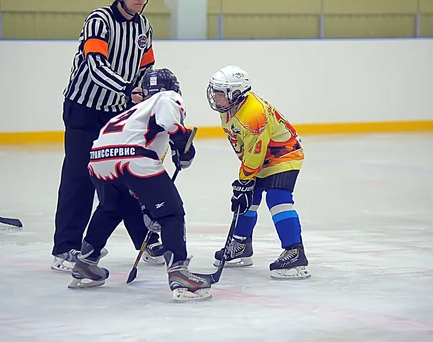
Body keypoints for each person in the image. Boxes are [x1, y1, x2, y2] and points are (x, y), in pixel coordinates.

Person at [51, 0, 163, 272]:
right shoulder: (99, 20)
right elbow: (94, 65)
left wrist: (147, 93)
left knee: (124, 178)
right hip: (84, 110)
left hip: (116, 112)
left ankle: (145, 242)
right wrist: (129, 89)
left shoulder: (143, 27)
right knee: (79, 178)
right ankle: (66, 248)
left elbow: (146, 68)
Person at [68, 68, 211, 302]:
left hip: (98, 158)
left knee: (111, 207)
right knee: (171, 212)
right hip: (133, 158)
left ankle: (85, 263)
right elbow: (170, 122)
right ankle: (179, 273)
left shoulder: (133, 110)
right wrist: (182, 144)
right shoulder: (166, 97)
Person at [206, 65, 310, 280]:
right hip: (262, 156)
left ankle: (295, 251)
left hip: (284, 154)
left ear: (235, 93)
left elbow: (255, 153)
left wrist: (244, 179)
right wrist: (245, 182)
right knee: (248, 199)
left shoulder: (253, 114)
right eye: (214, 91)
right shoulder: (228, 109)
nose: (215, 97)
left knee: (278, 199)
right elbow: (244, 148)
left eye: (219, 92)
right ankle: (241, 244)